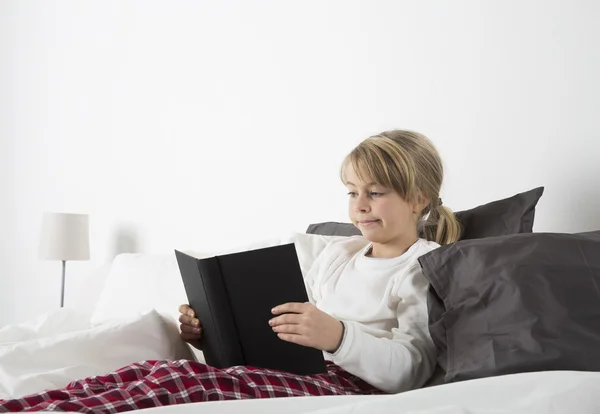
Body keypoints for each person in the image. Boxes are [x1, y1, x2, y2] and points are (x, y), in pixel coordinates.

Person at [178, 129, 461, 394]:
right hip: (300, 371)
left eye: (375, 192)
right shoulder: (339, 254)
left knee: (180, 385)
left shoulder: (423, 267)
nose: (359, 205)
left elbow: (412, 369)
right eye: (352, 192)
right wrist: (213, 335)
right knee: (160, 374)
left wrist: (338, 337)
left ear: (417, 200)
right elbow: (292, 328)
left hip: (348, 383)